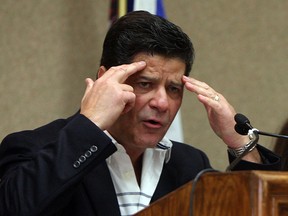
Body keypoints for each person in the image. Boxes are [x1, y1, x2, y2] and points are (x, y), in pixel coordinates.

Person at [0, 11, 280, 216]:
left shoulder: (189, 164)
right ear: (106, 79)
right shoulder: (33, 148)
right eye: (145, 84)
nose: (162, 102)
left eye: (173, 89)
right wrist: (91, 124)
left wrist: (240, 143)